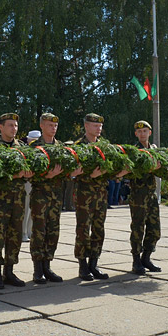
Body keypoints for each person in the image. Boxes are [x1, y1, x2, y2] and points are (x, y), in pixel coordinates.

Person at [0, 113, 34, 289]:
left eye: (15, 125)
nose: (14, 129)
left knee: (15, 235)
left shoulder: (21, 146)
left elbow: (29, 166)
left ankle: (10, 271)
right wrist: (14, 175)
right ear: (1, 127)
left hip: (19, 198)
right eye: (10, 125)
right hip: (0, 199)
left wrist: (29, 173)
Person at [29, 113, 67, 284]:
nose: (53, 128)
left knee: (53, 231)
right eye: (49, 125)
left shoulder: (61, 147)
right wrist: (48, 175)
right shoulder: (35, 147)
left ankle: (47, 265)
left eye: (55, 126)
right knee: (39, 231)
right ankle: (38, 269)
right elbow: (30, 173)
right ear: (42, 126)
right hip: (40, 196)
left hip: (56, 196)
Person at [72, 114, 109, 281]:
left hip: (101, 194)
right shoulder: (78, 146)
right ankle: (82, 265)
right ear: (86, 126)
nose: (99, 128)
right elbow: (73, 172)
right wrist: (91, 176)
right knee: (83, 230)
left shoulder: (104, 146)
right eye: (95, 125)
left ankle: (94, 263)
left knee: (99, 229)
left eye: (100, 125)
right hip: (84, 195)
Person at [127, 120, 162, 275]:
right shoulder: (133, 151)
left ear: (150, 133)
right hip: (138, 195)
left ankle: (146, 257)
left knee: (155, 229)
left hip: (151, 195)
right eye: (139, 132)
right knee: (138, 228)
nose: (142, 134)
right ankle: (136, 260)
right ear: (136, 134)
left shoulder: (154, 150)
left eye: (145, 131)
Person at [21, 130, 40, 243]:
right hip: (27, 182)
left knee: (33, 209)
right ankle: (23, 233)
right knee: (26, 209)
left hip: (37, 183)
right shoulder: (26, 152)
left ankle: (29, 232)